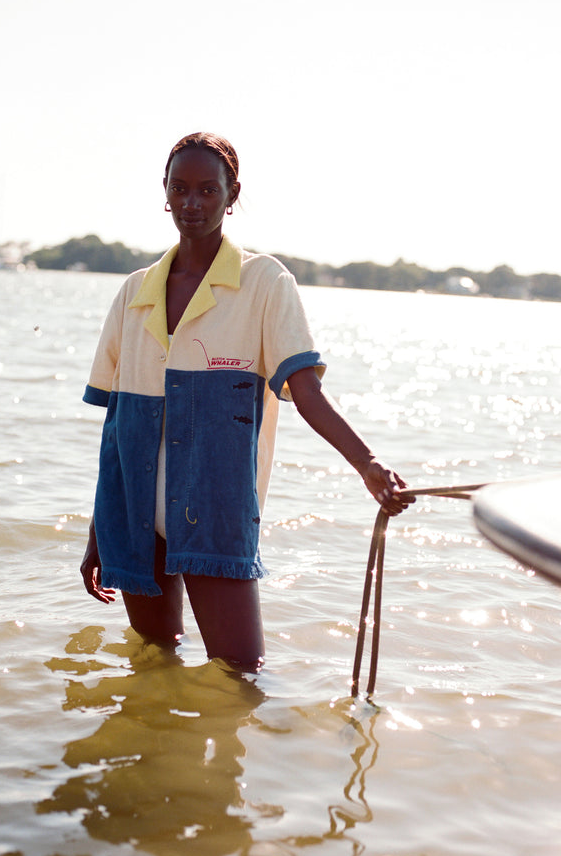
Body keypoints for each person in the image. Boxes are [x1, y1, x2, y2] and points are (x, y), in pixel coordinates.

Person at [80, 132, 413, 671]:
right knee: (153, 667)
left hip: (214, 509)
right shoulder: (134, 292)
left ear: (231, 195)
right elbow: (116, 428)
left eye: (208, 190)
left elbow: (307, 393)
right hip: (131, 511)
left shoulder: (263, 282)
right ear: (164, 193)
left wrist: (367, 464)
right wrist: (100, 532)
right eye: (180, 189)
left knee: (240, 675)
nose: (192, 203)